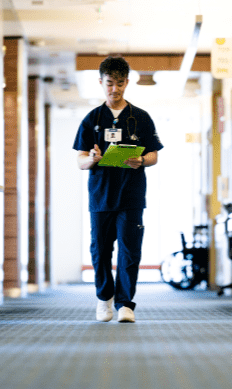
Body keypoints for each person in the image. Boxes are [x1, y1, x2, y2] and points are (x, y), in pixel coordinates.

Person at [73, 56, 163, 323]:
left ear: (127, 83)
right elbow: (80, 160)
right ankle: (104, 299)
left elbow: (154, 156)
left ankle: (126, 304)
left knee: (129, 250)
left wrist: (141, 160)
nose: (115, 89)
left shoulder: (141, 118)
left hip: (131, 196)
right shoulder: (92, 119)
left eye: (120, 83)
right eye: (110, 83)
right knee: (100, 251)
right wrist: (92, 159)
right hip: (101, 197)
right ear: (101, 82)